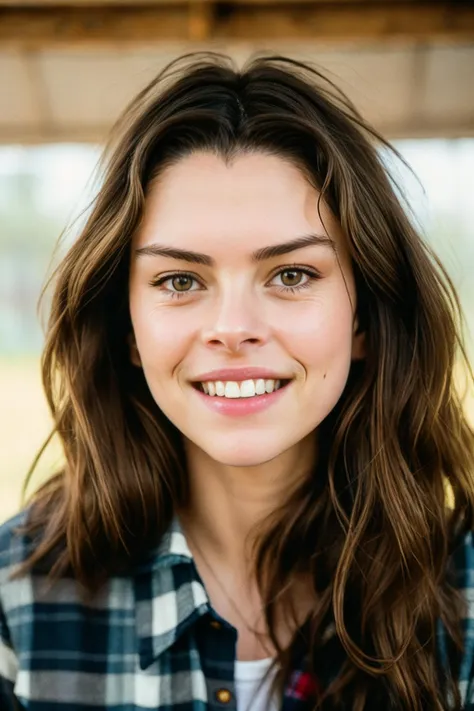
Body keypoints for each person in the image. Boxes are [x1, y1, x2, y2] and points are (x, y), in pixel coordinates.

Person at [0, 51, 473, 711]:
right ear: (128, 330)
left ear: (365, 315)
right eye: (180, 280)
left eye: (292, 275)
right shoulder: (15, 604)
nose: (232, 327)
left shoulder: (466, 592)